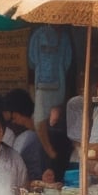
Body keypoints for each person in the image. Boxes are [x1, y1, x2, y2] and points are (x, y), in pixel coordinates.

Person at [28, 25, 73, 160]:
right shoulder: (64, 37)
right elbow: (67, 61)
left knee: (40, 120)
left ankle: (49, 150)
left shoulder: (37, 35)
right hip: (59, 82)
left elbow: (32, 60)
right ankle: (50, 150)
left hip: (41, 83)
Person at [4, 88, 49, 181]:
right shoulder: (25, 135)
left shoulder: (29, 136)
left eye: (14, 118)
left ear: (19, 113)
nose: (14, 122)